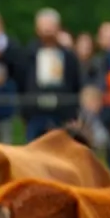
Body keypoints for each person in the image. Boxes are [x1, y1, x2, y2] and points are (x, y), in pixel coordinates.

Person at [18, 8, 82, 141]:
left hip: (61, 115)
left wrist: (72, 114)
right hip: (35, 114)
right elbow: (21, 82)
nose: (47, 31)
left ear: (58, 28)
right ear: (37, 29)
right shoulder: (28, 55)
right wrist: (25, 112)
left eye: (50, 27)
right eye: (44, 27)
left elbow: (76, 83)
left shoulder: (69, 56)